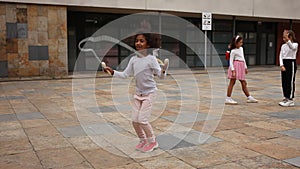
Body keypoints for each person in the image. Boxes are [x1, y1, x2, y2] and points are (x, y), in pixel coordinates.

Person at [103, 33, 169, 152]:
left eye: (142, 41)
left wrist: (164, 70)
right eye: (137, 41)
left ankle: (152, 142)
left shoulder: (151, 59)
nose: (138, 43)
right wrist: (112, 72)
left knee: (142, 120)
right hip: (138, 94)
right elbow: (125, 74)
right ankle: (142, 140)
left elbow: (161, 76)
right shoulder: (133, 59)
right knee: (135, 120)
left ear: (148, 44)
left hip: (150, 93)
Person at [225, 35, 258, 104]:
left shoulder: (241, 49)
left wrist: (245, 67)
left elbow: (243, 58)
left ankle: (249, 97)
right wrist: (233, 70)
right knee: (232, 82)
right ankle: (228, 98)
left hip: (241, 66)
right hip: (236, 66)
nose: (241, 44)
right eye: (240, 42)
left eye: (242, 42)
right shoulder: (233, 51)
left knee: (243, 82)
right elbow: (231, 61)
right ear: (236, 43)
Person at [279, 30, 298, 107]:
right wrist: (281, 65)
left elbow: (292, 48)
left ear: (290, 37)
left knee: (290, 81)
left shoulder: (295, 44)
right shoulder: (283, 46)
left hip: (291, 63)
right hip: (284, 63)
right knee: (284, 81)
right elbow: (280, 55)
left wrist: (288, 40)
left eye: (285, 37)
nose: (284, 39)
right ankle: (286, 97)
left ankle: (290, 99)